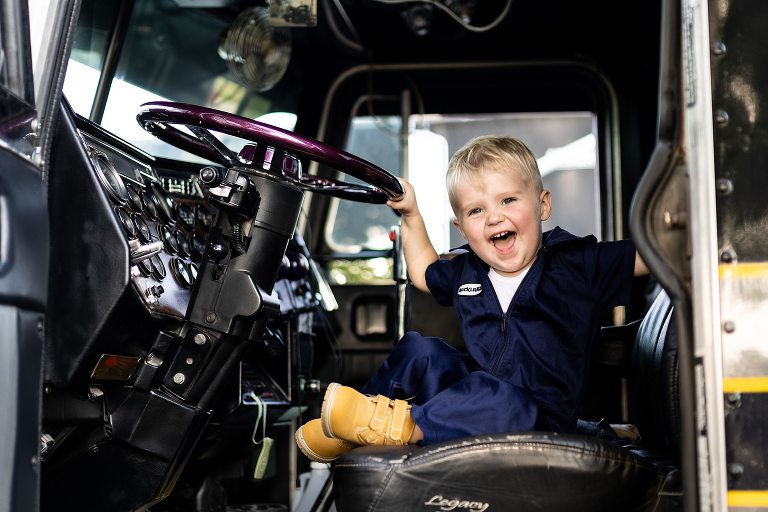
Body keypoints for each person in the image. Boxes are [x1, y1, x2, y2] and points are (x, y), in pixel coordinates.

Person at [295, 135, 649, 463]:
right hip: (475, 402)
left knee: (493, 395)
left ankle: (404, 427)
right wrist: (411, 214)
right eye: (476, 211)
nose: (494, 217)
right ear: (461, 228)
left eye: (508, 200)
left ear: (543, 205)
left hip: (541, 419)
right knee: (422, 349)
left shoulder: (578, 264)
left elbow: (653, 254)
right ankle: (362, 422)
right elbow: (422, 273)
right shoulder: (469, 271)